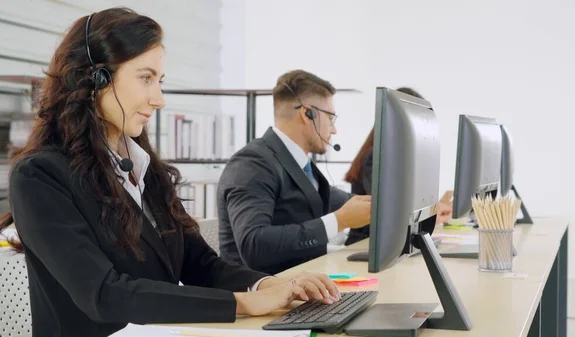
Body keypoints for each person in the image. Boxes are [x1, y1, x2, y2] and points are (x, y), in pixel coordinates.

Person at [0, 8, 339, 337]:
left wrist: (273, 284)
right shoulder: (40, 176)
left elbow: (198, 262)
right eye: (145, 78)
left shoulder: (142, 166)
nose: (159, 98)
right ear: (95, 79)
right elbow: (104, 294)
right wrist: (244, 303)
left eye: (159, 81)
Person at [217, 70, 371, 274]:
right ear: (308, 114)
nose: (334, 130)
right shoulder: (252, 164)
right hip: (261, 295)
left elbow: (341, 200)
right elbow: (253, 243)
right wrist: (339, 221)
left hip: (301, 284)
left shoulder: (300, 165)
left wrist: (383, 208)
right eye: (331, 118)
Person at [343, 87, 453, 246]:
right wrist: (433, 210)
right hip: (367, 244)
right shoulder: (375, 156)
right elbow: (389, 208)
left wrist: (435, 207)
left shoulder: (404, 157)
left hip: (391, 243)